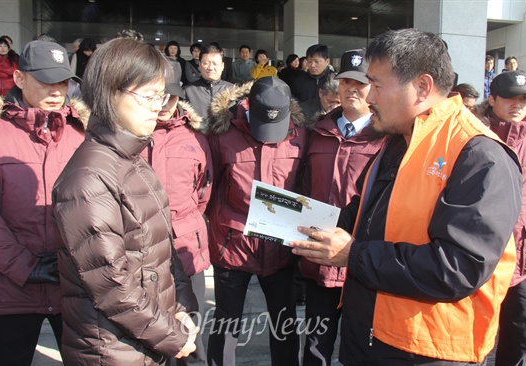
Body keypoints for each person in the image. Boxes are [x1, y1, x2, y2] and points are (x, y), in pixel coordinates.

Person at [289, 28, 523, 365]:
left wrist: (353, 255)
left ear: (422, 87)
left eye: (378, 86)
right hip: (368, 336)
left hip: (428, 351)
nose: (368, 97)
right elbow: (364, 218)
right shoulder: (400, 138)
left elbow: (457, 268)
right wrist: (293, 219)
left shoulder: (479, 155)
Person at [52, 37, 199, 365]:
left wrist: (183, 309)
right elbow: (111, 285)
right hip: (112, 350)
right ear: (109, 92)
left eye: (160, 96)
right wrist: (173, 335)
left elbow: (164, 250)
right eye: (147, 96)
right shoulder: (88, 177)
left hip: (146, 339)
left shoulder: (133, 159)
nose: (157, 107)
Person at [0, 40, 87, 366]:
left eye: (62, 81)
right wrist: (26, 267)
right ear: (19, 78)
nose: (57, 90)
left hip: (72, 287)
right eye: (45, 80)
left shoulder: (82, 132)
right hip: (10, 290)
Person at [206, 76, 307, 366]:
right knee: (227, 324)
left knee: (284, 322)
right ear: (248, 105)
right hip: (233, 246)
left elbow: (303, 185)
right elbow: (209, 190)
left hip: (279, 248)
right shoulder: (222, 134)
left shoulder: (300, 134)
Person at [299, 48, 383, 366]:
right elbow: (303, 187)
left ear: (372, 88)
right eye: (345, 81)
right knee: (315, 348)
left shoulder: (386, 138)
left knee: (360, 348)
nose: (351, 89)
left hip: (361, 263)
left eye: (360, 83)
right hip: (321, 260)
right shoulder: (318, 132)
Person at [140, 63, 212, 366]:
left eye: (169, 97)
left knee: (191, 339)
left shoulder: (196, 137)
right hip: (141, 255)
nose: (163, 104)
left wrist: (184, 225)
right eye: (155, 96)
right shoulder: (128, 134)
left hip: (186, 251)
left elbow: (204, 192)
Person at [473, 70, 526, 366]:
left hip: (524, 257)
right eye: (510, 97)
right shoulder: (474, 134)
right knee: (475, 332)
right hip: (480, 253)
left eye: (524, 98)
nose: (518, 104)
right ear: (492, 99)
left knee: (520, 334)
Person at [184, 43, 233, 120]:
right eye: (206, 63)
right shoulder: (187, 91)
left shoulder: (233, 91)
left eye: (215, 63)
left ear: (222, 66)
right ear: (200, 65)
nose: (210, 68)